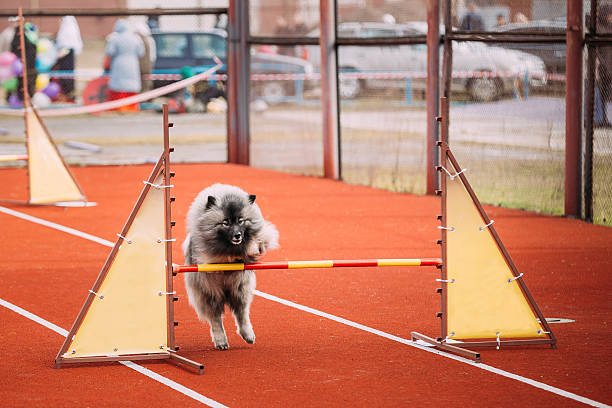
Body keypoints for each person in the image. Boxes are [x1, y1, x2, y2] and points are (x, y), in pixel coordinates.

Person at [104, 19, 144, 112]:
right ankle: (131, 107)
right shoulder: (136, 38)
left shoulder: (115, 38)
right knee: (132, 85)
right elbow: (141, 53)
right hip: (133, 64)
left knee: (118, 85)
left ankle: (118, 107)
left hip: (119, 63)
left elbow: (110, 52)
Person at [54, 16, 82, 102]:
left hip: (66, 55)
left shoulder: (67, 31)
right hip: (67, 55)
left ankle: (69, 95)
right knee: (67, 77)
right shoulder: (69, 30)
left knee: (66, 77)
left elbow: (64, 45)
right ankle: (68, 95)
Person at [10, 22, 37, 104]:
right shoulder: (22, 39)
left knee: (27, 84)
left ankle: (26, 100)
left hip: (28, 66)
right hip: (22, 66)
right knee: (23, 84)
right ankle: (23, 100)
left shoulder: (28, 38)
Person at [133, 20, 156, 92]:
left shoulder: (143, 40)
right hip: (147, 66)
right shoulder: (149, 39)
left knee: (144, 85)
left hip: (143, 67)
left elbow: (140, 54)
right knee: (146, 84)